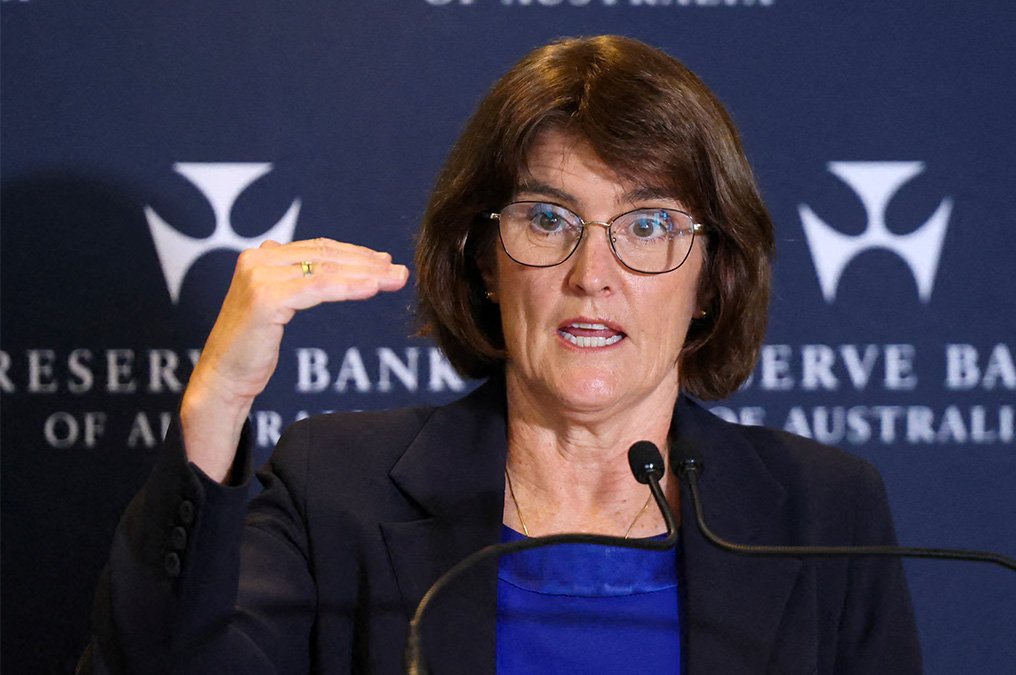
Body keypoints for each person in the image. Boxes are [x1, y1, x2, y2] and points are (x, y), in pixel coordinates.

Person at [82, 35, 921, 674]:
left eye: (649, 225)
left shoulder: (823, 513)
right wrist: (218, 403)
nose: (592, 275)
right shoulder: (335, 489)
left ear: (712, 277)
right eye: (548, 220)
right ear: (485, 260)